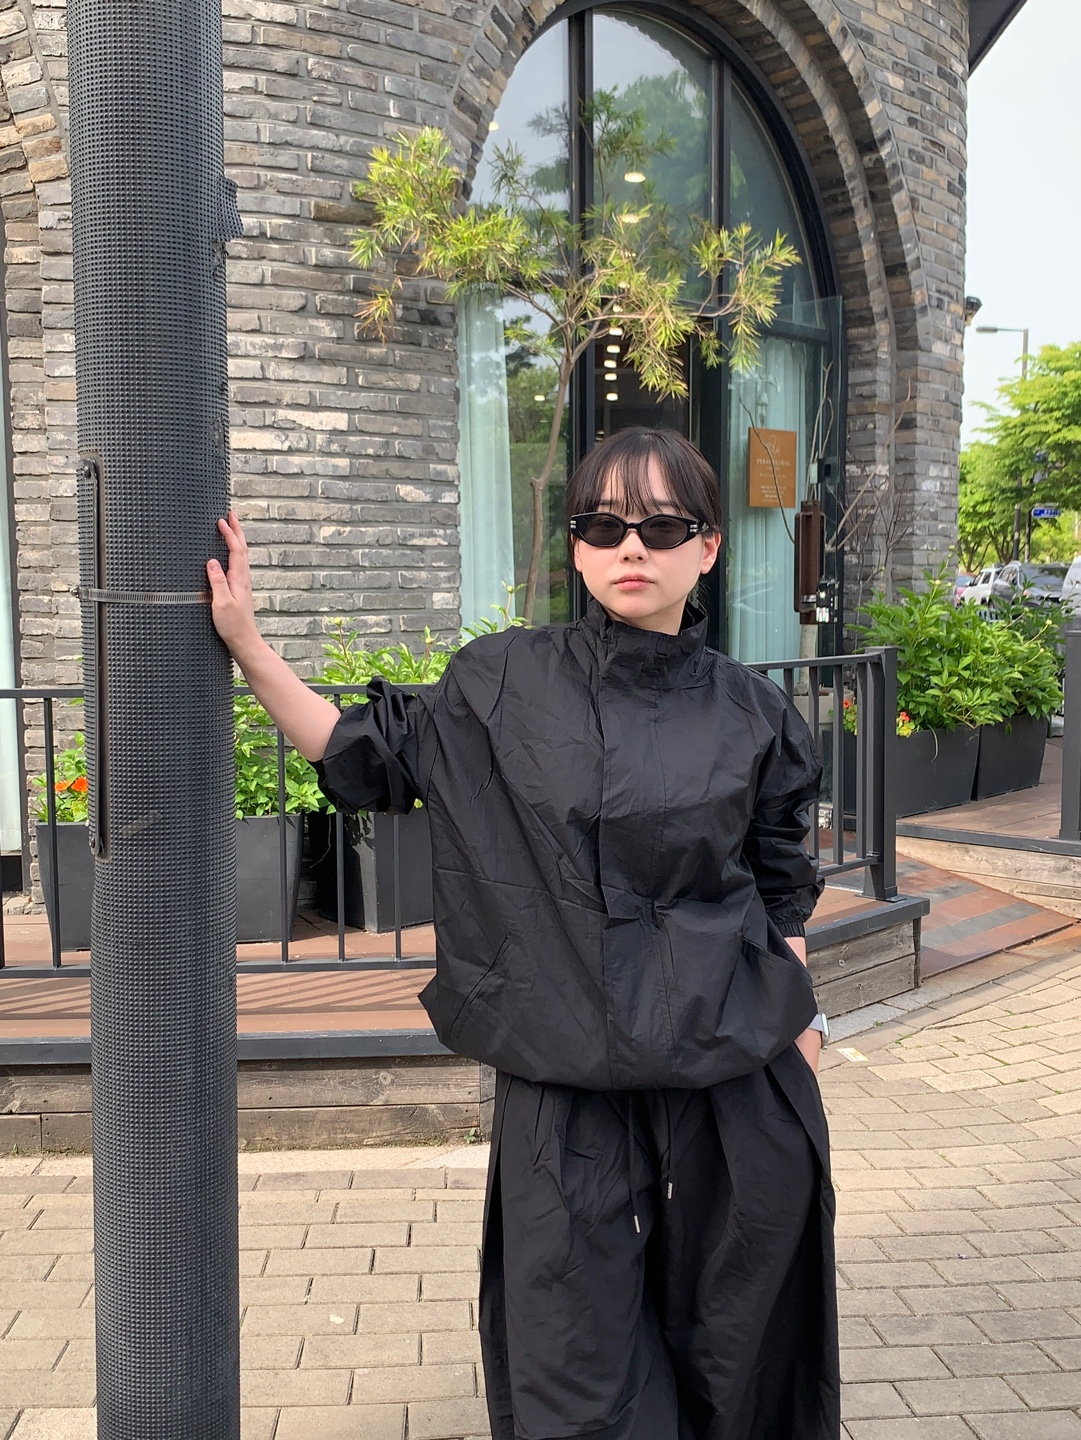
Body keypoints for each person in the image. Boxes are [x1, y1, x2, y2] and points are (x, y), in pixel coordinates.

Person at [207, 426, 840, 1440]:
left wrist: (803, 1022)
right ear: (575, 546)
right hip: (564, 1077)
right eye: (603, 525)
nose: (630, 548)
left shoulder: (753, 712)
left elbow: (779, 883)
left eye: (661, 527)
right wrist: (247, 643)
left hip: (734, 1073)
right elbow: (360, 753)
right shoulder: (499, 685)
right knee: (573, 1361)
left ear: (707, 547)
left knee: (741, 1351)